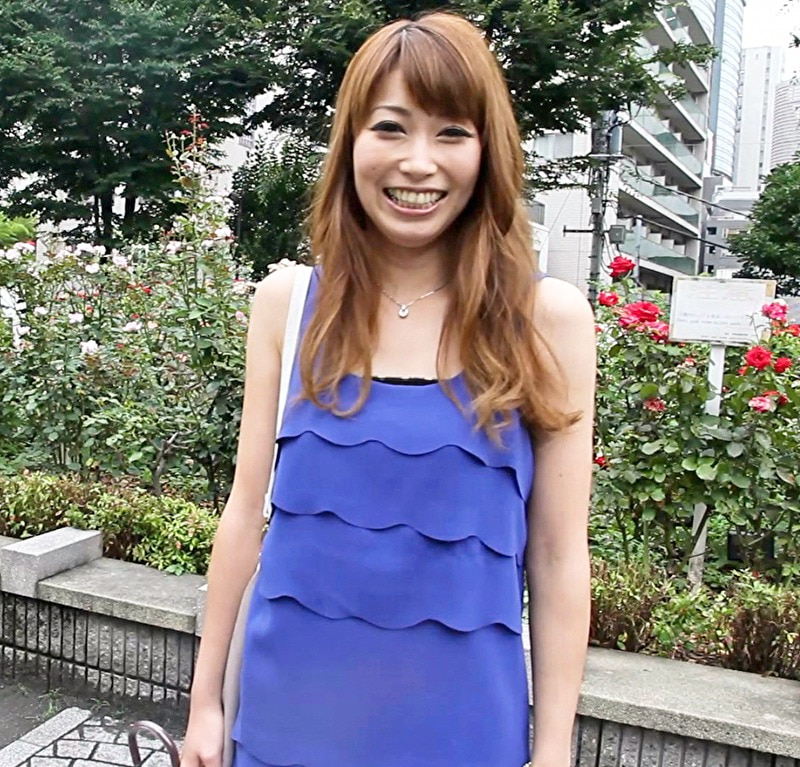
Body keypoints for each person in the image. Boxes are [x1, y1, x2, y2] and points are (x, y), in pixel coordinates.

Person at [182, 11, 595, 767]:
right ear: (351, 142)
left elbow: (559, 555)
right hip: (283, 721)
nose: (418, 162)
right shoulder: (289, 304)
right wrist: (205, 705)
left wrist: (554, 750)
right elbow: (243, 516)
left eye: (451, 133)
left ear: (487, 152)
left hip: (465, 732)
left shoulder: (548, 320)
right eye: (391, 128)